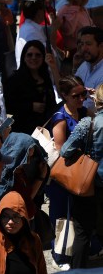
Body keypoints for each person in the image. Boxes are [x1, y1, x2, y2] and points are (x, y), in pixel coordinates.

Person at [46, 74, 89, 270]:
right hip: (64, 177)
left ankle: (75, 250)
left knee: (78, 216)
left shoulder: (85, 111)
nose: (81, 99)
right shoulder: (60, 118)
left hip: (80, 174)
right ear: (64, 95)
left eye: (83, 94)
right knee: (61, 216)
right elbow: (62, 150)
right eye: (76, 95)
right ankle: (59, 255)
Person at [59, 83, 103, 269]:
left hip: (89, 184)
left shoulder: (89, 123)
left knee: (82, 232)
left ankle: (78, 271)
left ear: (97, 100)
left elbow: (65, 150)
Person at [0, 191, 47, 274]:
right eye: (5, 216)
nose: (10, 222)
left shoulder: (33, 240)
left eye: (16, 216)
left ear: (24, 218)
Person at [4, 40, 59, 134]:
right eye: (29, 55)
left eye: (38, 55)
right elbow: (8, 106)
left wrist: (53, 67)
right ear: (24, 58)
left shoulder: (46, 78)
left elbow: (60, 95)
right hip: (22, 131)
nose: (34, 58)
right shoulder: (14, 80)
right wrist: (30, 106)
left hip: (45, 131)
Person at [75, 26, 103, 113]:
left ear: (101, 46)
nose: (84, 48)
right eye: (82, 44)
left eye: (88, 44)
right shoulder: (84, 65)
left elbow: (96, 108)